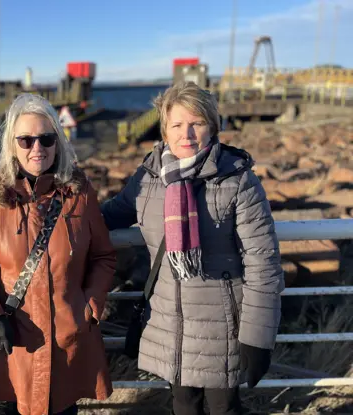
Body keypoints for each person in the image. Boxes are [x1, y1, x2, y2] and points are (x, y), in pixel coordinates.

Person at [101, 81, 284, 415]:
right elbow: (110, 215)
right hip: (171, 325)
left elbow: (263, 264)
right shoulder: (148, 178)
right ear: (165, 131)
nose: (186, 134)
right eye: (177, 125)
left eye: (196, 123)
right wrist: (59, 216)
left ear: (212, 127)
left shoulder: (237, 179)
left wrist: (257, 339)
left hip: (223, 328)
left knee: (223, 408)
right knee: (183, 405)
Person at [0, 93, 116, 415]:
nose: (37, 149)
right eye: (26, 140)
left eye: (46, 139)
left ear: (58, 142)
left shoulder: (79, 193)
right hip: (12, 342)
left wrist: (88, 306)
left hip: (66, 342)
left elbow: (103, 256)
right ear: (11, 145)